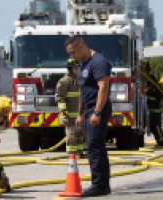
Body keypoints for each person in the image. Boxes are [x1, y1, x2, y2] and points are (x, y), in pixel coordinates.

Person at [65, 35, 112, 197]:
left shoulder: (99, 62)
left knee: (95, 146)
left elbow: (103, 89)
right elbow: (82, 91)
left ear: (81, 46)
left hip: (97, 109)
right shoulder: (83, 63)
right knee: (93, 146)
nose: (72, 57)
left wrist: (97, 112)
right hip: (87, 110)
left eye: (73, 52)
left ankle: (99, 185)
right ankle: (102, 184)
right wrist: (79, 114)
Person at [55, 58, 85, 154]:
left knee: (81, 136)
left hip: (81, 115)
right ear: (70, 69)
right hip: (70, 116)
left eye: (79, 68)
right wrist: (64, 112)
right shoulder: (64, 82)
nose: (77, 70)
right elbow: (60, 98)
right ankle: (72, 157)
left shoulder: (83, 80)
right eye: (75, 68)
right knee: (72, 136)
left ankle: (80, 153)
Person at [144, 63, 163, 146]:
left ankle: (161, 141)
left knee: (156, 126)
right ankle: (159, 140)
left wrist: (147, 91)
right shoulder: (148, 79)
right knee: (153, 126)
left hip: (156, 108)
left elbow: (157, 93)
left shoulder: (152, 79)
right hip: (152, 108)